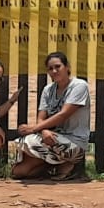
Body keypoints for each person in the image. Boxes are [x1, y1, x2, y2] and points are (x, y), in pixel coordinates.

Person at [12, 52, 91, 181]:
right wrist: (43, 130)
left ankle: (69, 163)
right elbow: (41, 116)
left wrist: (33, 129)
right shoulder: (48, 90)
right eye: (50, 68)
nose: (54, 71)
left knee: (30, 140)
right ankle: (54, 166)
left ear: (67, 67)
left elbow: (63, 114)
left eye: (58, 66)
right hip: (51, 138)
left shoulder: (79, 86)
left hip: (74, 141)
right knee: (19, 171)